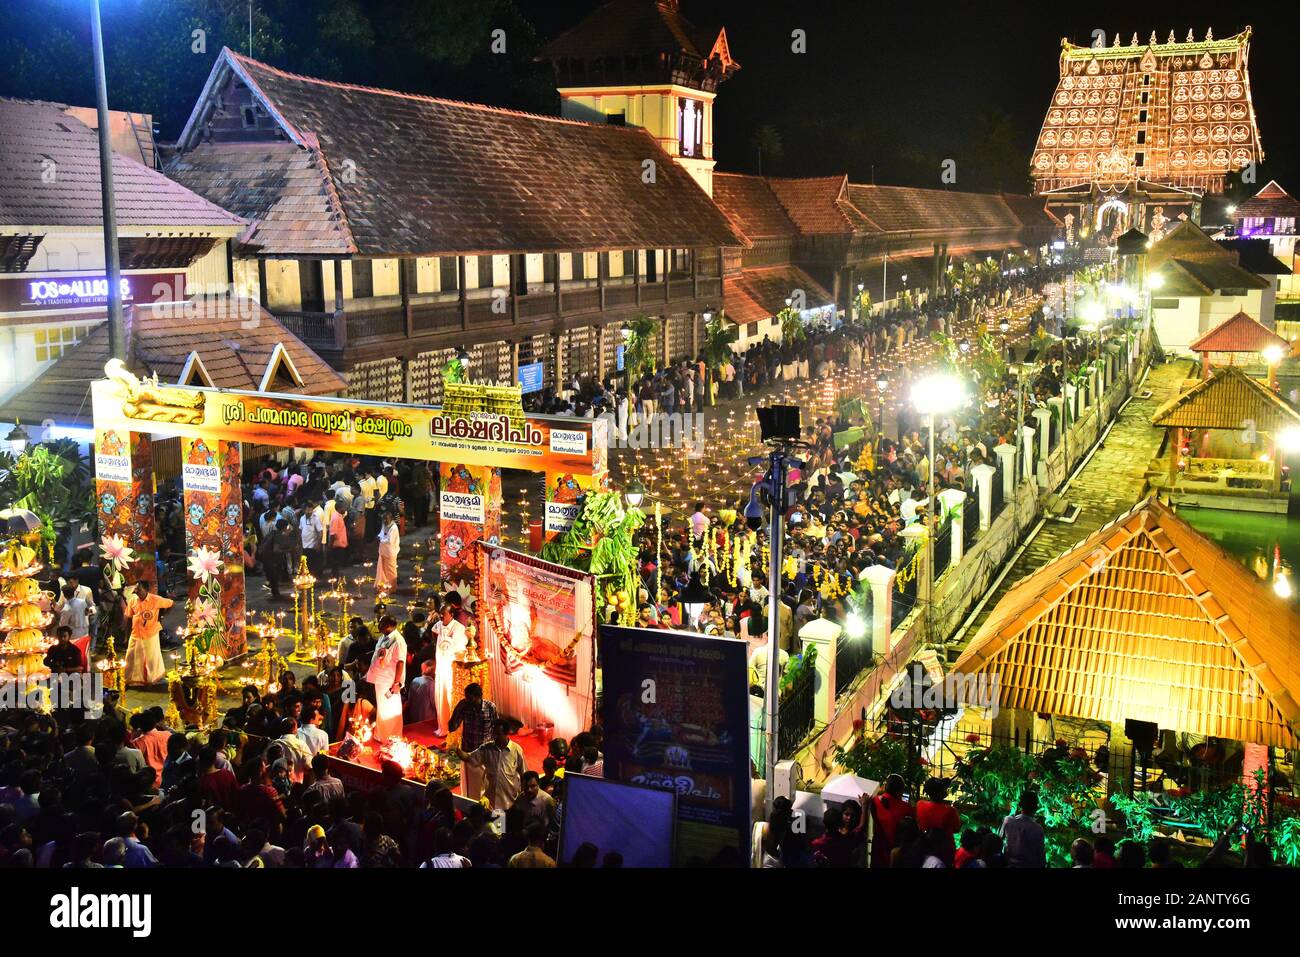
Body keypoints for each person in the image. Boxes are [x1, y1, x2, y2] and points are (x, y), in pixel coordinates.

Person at [455, 720, 526, 812]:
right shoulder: (486, 748)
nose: (494, 737)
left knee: (505, 825)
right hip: (490, 804)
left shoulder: (517, 750)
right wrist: (457, 750)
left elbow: (523, 773)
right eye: (493, 734)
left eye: (498, 734)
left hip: (510, 803)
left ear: (506, 733)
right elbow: (469, 758)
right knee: (493, 825)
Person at [447, 682, 498, 799]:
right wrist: (458, 709)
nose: (467, 700)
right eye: (466, 697)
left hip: (485, 753)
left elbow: (496, 728)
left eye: (469, 698)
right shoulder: (464, 706)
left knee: (485, 784)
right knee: (470, 786)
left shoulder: (490, 707)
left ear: (478, 696)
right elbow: (452, 727)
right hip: (468, 753)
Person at [364, 615, 407, 743]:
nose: (378, 626)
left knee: (391, 709)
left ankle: (392, 737)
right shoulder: (384, 637)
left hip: (390, 681)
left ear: (389, 625)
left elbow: (400, 662)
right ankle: (382, 735)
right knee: (383, 709)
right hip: (380, 679)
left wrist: (396, 683)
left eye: (381, 624)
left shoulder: (398, 640)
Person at [124, 580, 172, 686]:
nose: (136, 591)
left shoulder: (155, 599)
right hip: (135, 633)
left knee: (151, 656)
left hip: (151, 632)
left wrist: (160, 617)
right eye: (135, 588)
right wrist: (126, 636)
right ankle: (133, 678)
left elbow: (171, 603)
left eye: (138, 589)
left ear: (146, 590)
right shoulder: (133, 600)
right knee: (132, 655)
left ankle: (152, 677)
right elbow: (128, 617)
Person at [432, 603, 468, 737]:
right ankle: (442, 726)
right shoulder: (439, 625)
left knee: (450, 697)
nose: (441, 617)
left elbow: (460, 648)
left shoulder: (459, 628)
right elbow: (434, 632)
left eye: (444, 614)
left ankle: (453, 728)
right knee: (440, 697)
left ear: (451, 615)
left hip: (451, 669)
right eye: (440, 614)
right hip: (441, 667)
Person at [1000, 789, 1046, 868]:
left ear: (1020, 805)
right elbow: (1041, 858)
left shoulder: (1008, 821)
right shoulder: (1038, 829)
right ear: (1036, 807)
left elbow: (998, 842)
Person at [374, 509, 400, 596]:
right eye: (383, 519)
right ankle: (383, 585)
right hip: (383, 551)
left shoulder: (394, 527)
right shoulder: (385, 524)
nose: (385, 521)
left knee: (391, 571)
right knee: (383, 570)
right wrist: (379, 536)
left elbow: (390, 540)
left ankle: (392, 587)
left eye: (386, 519)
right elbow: (382, 533)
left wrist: (381, 539)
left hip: (391, 552)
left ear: (391, 518)